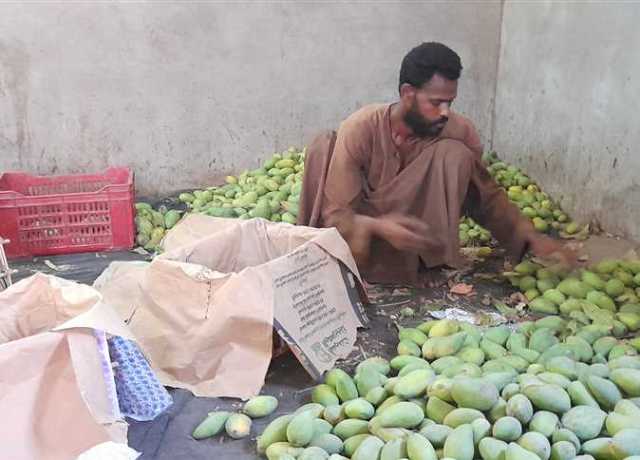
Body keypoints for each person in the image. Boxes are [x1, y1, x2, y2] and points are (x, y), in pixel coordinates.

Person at [298, 42, 575, 286]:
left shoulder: (457, 131)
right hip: (362, 240)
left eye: (450, 102)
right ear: (408, 94)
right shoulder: (361, 127)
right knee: (323, 144)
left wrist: (528, 236)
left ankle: (426, 264)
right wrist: (379, 226)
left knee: (455, 154)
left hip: (415, 241)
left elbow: (486, 196)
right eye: (436, 103)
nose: (445, 112)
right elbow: (336, 215)